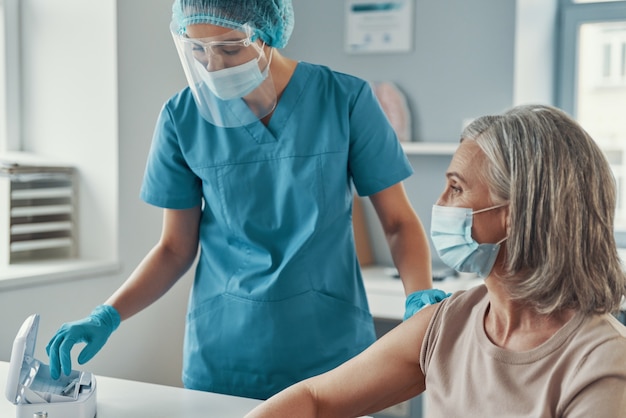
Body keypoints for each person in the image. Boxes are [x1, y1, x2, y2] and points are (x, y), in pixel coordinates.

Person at [44, 0, 444, 400]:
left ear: (266, 35)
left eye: (230, 49)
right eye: (197, 51)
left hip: (330, 353)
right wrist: (108, 315)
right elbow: (174, 248)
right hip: (226, 357)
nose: (213, 66)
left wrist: (418, 298)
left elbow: (397, 223)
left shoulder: (344, 99)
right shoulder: (182, 117)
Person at [244, 104, 626, 417]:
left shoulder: (602, 364)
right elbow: (315, 399)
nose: (440, 204)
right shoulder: (449, 323)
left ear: (517, 213)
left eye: (456, 188)